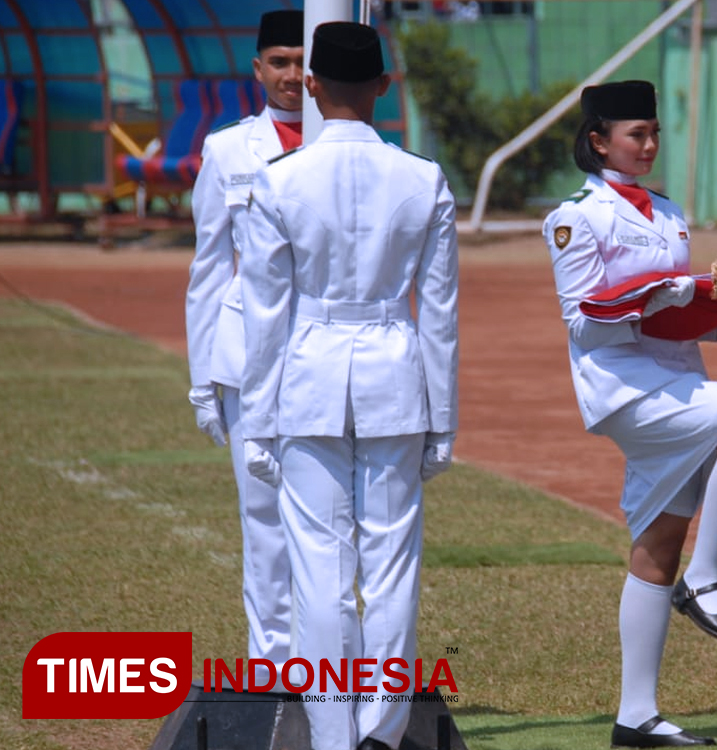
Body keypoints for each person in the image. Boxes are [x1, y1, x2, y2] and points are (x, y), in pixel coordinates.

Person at [240, 21, 460, 750]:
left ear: (309, 85)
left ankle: (334, 736)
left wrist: (260, 418)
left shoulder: (279, 179)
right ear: (383, 89)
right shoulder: (423, 177)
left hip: (307, 374)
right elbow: (440, 315)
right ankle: (381, 732)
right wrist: (444, 419)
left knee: (317, 572)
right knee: (392, 569)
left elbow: (266, 316)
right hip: (396, 374)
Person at [543, 80, 717, 747]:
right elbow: (586, 319)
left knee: (657, 543)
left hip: (674, 376)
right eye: (634, 134)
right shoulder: (574, 216)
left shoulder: (670, 212)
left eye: (653, 132)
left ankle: (636, 717)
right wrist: (667, 293)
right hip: (625, 387)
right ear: (598, 140)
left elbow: (682, 320)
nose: (648, 144)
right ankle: (703, 582)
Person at [183, 8, 303, 686]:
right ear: (257, 69)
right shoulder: (228, 149)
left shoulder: (347, 144)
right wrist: (203, 379)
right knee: (263, 520)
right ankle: (272, 667)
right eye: (278, 62)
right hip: (244, 358)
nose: (290, 75)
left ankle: (331, 663)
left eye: (300, 62)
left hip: (324, 352)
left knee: (329, 523)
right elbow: (208, 268)